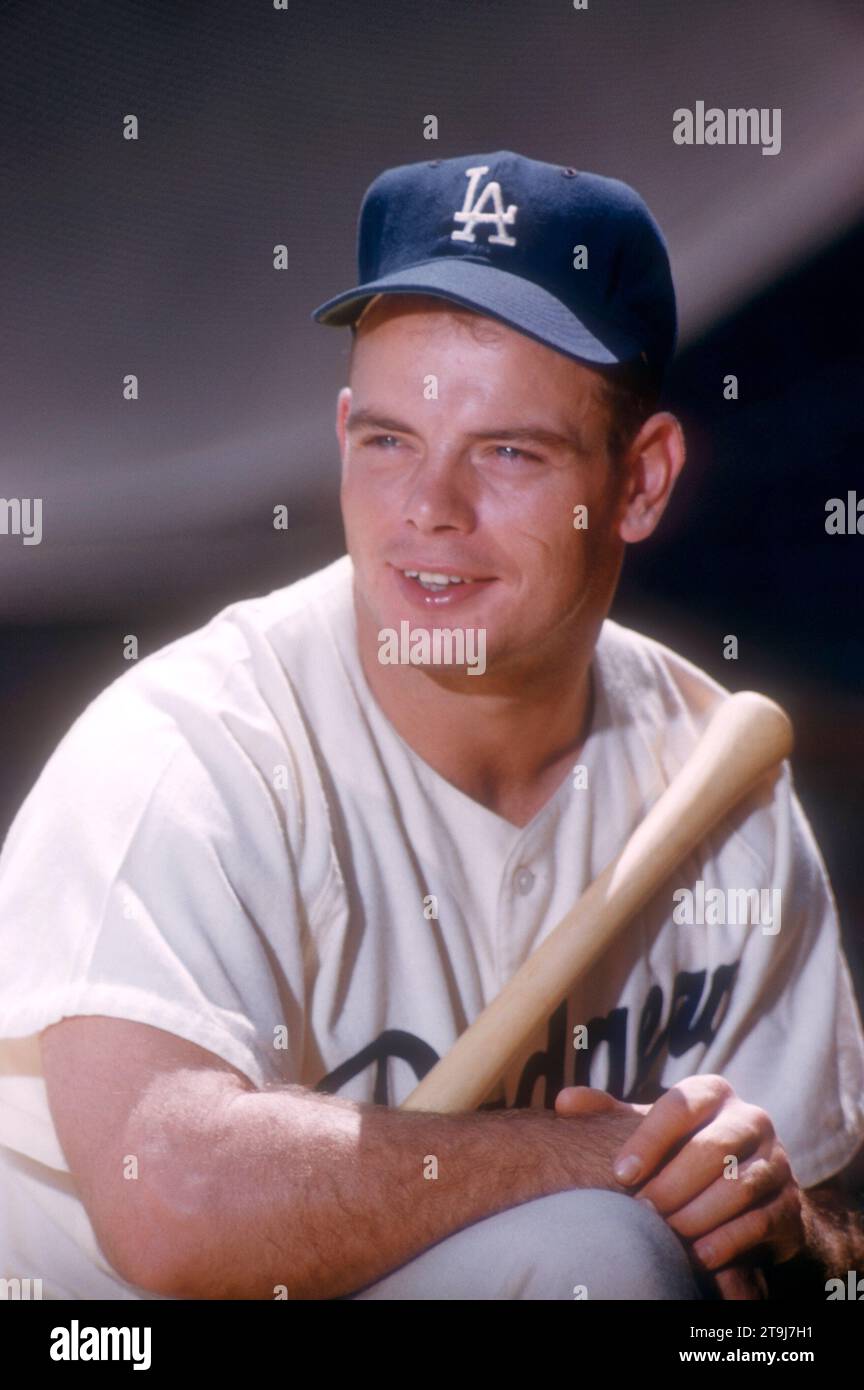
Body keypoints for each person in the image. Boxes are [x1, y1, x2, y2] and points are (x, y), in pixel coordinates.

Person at [1, 150, 863, 1302]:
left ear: (642, 481)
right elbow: (172, 1198)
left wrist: (782, 1225)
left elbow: (827, 1261)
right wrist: (607, 1157)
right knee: (599, 1247)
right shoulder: (188, 751)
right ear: (344, 433)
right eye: (390, 441)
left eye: (508, 451)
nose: (427, 512)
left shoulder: (722, 790)